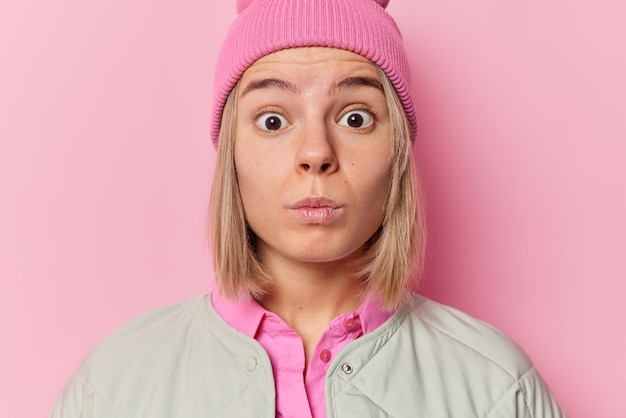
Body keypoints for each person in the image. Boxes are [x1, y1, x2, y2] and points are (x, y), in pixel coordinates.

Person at [50, 0, 567, 417]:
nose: (317, 153)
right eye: (273, 121)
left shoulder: (498, 388)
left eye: (357, 117)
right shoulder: (113, 390)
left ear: (398, 154)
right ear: (231, 151)